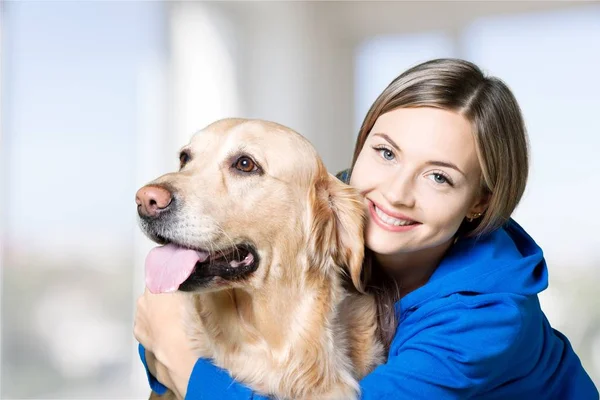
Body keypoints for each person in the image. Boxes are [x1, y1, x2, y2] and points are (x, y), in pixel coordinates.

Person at [134, 58, 599, 399]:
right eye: (386, 152)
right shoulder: (333, 209)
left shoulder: (482, 322)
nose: (395, 193)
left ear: (480, 202)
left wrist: (185, 362)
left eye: (439, 177)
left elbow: (174, 349)